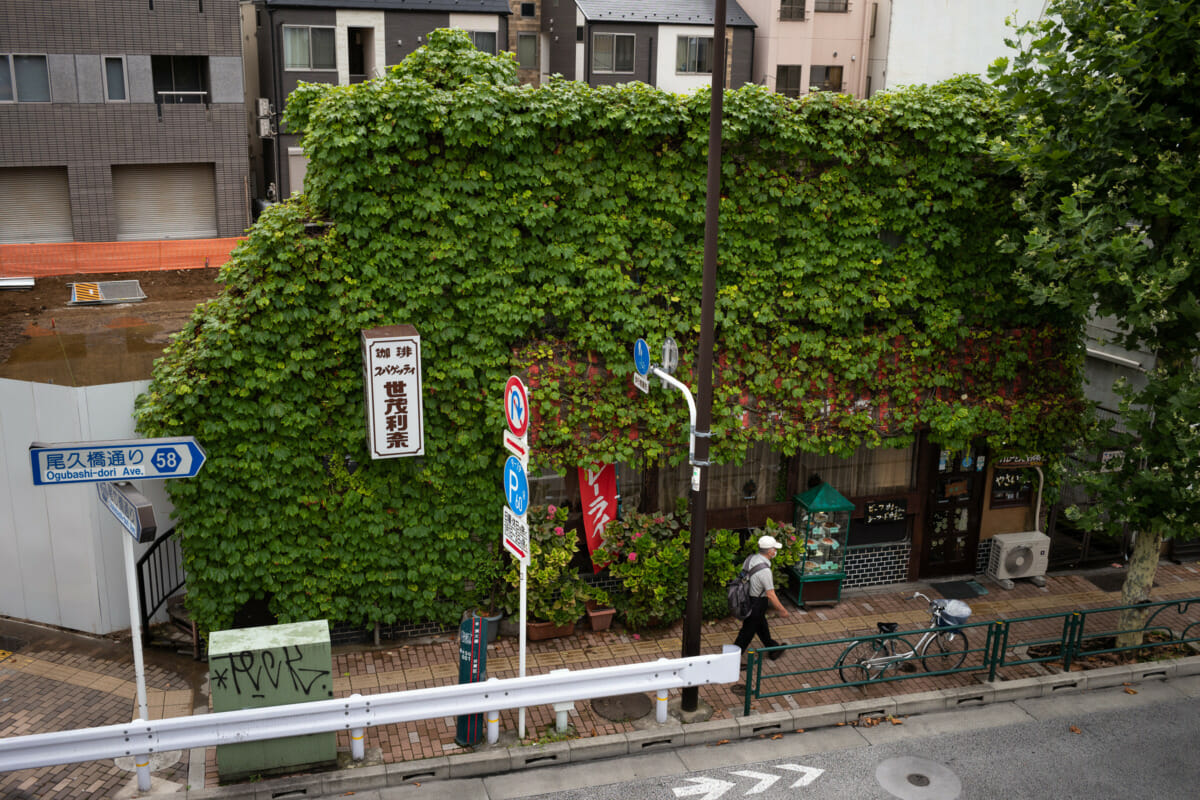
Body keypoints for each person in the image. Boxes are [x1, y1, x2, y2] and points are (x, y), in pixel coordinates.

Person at [734, 534, 790, 665]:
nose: (776, 551)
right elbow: (770, 594)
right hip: (757, 603)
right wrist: (782, 610)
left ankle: (772, 648)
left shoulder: (750, 559)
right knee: (746, 633)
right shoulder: (765, 571)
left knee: (761, 625)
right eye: (774, 549)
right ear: (770, 551)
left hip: (747, 598)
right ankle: (731, 661)